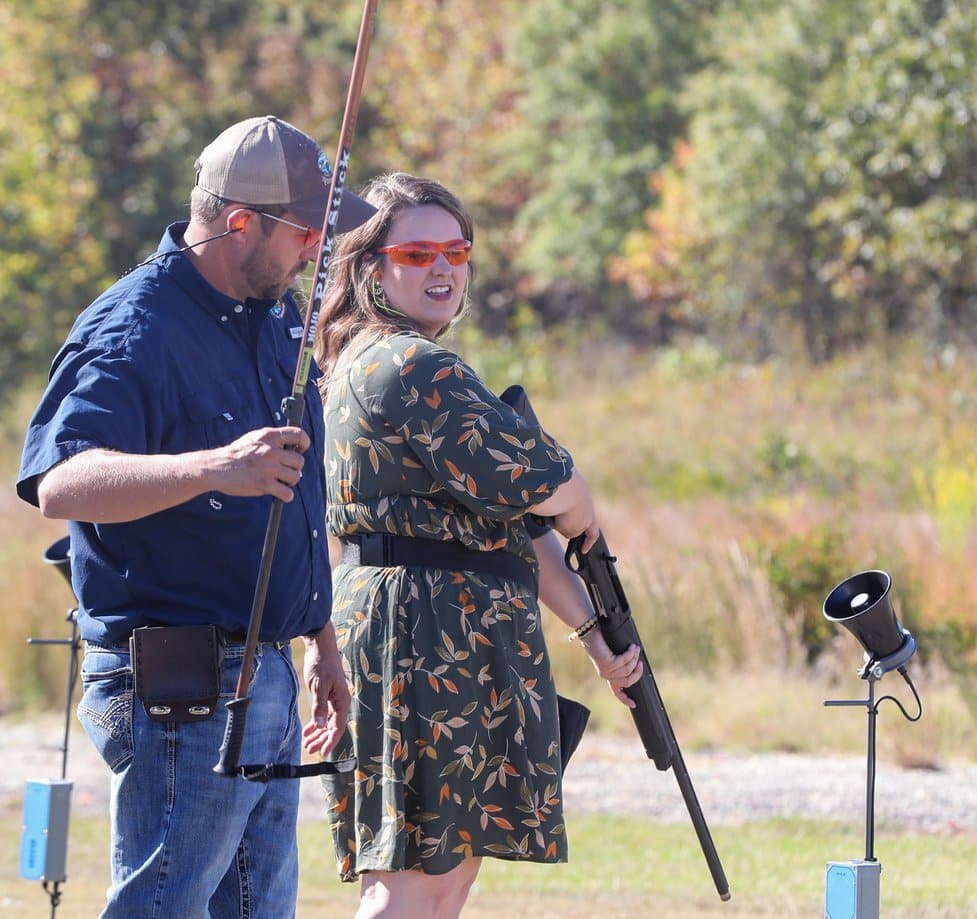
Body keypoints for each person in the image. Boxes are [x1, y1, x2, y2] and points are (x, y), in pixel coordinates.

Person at [16, 115, 377, 918]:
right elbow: (59, 482)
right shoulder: (132, 328)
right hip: (180, 687)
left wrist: (319, 639)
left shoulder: (275, 315)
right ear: (240, 222)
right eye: (307, 228)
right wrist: (215, 468)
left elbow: (296, 494)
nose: (319, 247)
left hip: (269, 670)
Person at [304, 172, 644, 919]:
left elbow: (504, 532)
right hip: (428, 639)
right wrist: (574, 494)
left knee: (440, 881)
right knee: (415, 882)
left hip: (433, 630)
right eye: (417, 252)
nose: (442, 269)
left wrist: (593, 633)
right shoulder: (411, 364)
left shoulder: (364, 361)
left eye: (456, 251)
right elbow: (550, 490)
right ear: (371, 267)